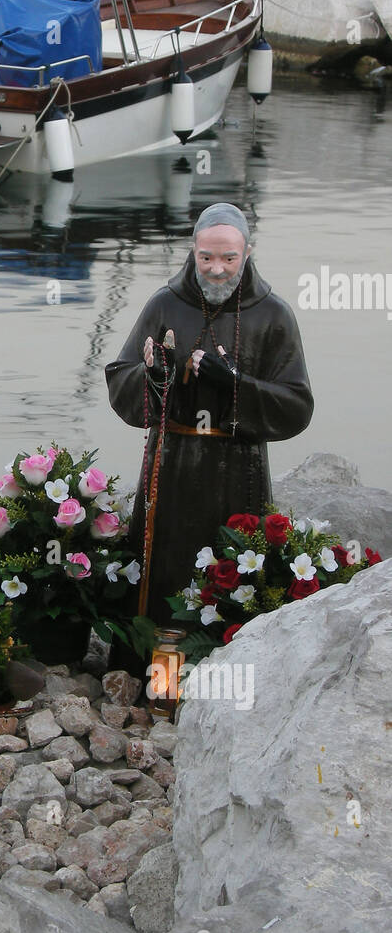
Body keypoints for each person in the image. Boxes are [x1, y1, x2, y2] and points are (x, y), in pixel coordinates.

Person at [104, 202, 314, 636]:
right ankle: (151, 664)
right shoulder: (165, 303)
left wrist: (234, 383)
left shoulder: (273, 314)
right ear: (192, 251)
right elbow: (121, 377)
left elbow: (296, 404)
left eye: (229, 258)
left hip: (238, 467)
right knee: (164, 565)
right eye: (207, 257)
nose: (217, 269)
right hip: (173, 460)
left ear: (248, 253)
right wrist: (155, 375)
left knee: (230, 567)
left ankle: (230, 656)